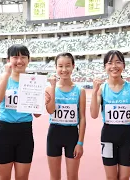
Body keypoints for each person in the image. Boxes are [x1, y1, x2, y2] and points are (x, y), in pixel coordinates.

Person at [0, 44, 51, 180]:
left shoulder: (34, 82)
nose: (19, 61)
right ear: (8, 60)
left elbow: (36, 114)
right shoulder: (2, 78)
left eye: (23, 57)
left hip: (24, 132)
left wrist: (43, 102)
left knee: (22, 177)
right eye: (15, 57)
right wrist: (7, 75)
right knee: (3, 177)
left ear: (28, 60)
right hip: (4, 131)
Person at [90, 50, 130, 180]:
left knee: (124, 178)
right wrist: (94, 92)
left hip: (127, 137)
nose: (114, 66)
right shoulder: (102, 89)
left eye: (118, 62)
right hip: (108, 136)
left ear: (123, 65)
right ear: (105, 67)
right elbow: (94, 114)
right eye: (110, 63)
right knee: (111, 177)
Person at [45, 52, 86, 180]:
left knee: (72, 176)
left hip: (72, 135)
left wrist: (80, 143)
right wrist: (52, 87)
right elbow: (50, 110)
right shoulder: (50, 88)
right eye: (60, 66)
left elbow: (83, 118)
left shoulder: (80, 91)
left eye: (67, 66)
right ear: (56, 68)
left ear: (73, 66)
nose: (64, 70)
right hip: (54, 134)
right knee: (54, 176)